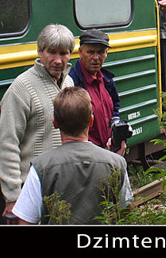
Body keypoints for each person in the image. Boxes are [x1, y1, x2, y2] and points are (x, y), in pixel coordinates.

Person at [11, 86, 133, 224]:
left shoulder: (41, 167)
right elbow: (126, 210)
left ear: (55, 123)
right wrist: (114, 158)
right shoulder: (116, 163)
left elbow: (25, 221)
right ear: (91, 121)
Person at [0, 23, 76, 223]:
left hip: (64, 185)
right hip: (32, 189)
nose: (58, 60)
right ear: (40, 51)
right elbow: (6, 144)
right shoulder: (21, 88)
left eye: (64, 53)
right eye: (52, 52)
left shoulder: (69, 84)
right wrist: (13, 197)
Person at [67, 29, 126, 155]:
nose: (95, 58)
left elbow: (115, 105)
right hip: (87, 155)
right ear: (80, 52)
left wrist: (115, 128)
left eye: (100, 52)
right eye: (90, 52)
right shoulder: (73, 83)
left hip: (109, 151)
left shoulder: (106, 80)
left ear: (106, 54)